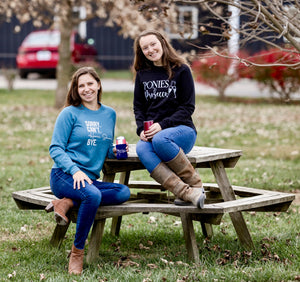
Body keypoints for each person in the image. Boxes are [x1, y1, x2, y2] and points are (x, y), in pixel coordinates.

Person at [46, 67, 130, 275]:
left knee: (123, 192)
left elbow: (103, 146)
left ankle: (66, 202)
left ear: (98, 84)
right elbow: (55, 148)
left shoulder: (109, 114)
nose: (86, 89)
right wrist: (74, 170)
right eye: (80, 85)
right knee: (92, 195)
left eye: (90, 84)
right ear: (75, 89)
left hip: (89, 180)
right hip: (64, 176)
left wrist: (116, 151)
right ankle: (77, 253)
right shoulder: (70, 113)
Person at [133, 30, 205, 208]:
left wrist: (162, 125)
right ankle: (186, 192)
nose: (150, 49)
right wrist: (141, 129)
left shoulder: (181, 70)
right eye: (145, 47)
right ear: (141, 52)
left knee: (160, 138)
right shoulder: (142, 74)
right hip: (154, 134)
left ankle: (196, 184)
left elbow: (188, 107)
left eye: (153, 44)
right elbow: (139, 107)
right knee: (142, 148)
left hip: (182, 131)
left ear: (163, 43)